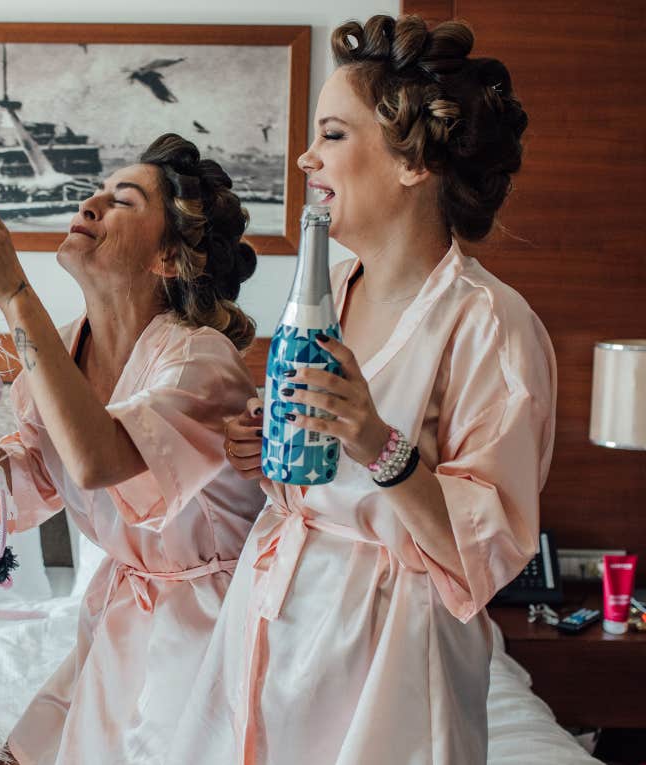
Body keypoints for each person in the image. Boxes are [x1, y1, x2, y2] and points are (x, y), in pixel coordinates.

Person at [168, 14, 555, 764]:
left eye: (334, 135)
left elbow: (486, 552)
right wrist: (268, 445)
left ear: (415, 161)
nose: (308, 156)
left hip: (389, 654)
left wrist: (377, 441)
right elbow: (317, 464)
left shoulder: (492, 327)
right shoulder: (332, 288)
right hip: (275, 611)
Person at [0, 133, 265, 765]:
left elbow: (97, 459)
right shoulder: (57, 351)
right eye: (98, 192)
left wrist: (13, 289)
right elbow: (40, 471)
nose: (90, 203)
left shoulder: (200, 361)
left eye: (123, 200)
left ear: (169, 257)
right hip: (121, 618)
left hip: (215, 629)